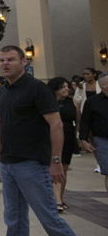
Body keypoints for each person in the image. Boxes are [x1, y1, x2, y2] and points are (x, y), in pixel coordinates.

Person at [0, 45, 104, 236]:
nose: (5, 64)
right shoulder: (4, 91)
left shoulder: (37, 89)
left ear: (23, 62)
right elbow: (2, 127)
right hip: (9, 162)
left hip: (33, 164)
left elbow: (56, 124)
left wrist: (56, 160)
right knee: (14, 219)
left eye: (11, 60)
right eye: (2, 60)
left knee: (50, 220)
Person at [45, 77, 77, 211]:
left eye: (67, 86)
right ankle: (56, 200)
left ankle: (60, 197)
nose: (66, 89)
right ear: (55, 89)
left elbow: (77, 118)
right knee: (54, 166)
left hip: (69, 137)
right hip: (53, 138)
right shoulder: (48, 103)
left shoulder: (70, 102)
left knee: (64, 168)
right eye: (63, 87)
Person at [78, 73, 108, 193]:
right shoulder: (93, 102)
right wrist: (83, 139)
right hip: (103, 139)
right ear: (104, 86)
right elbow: (85, 122)